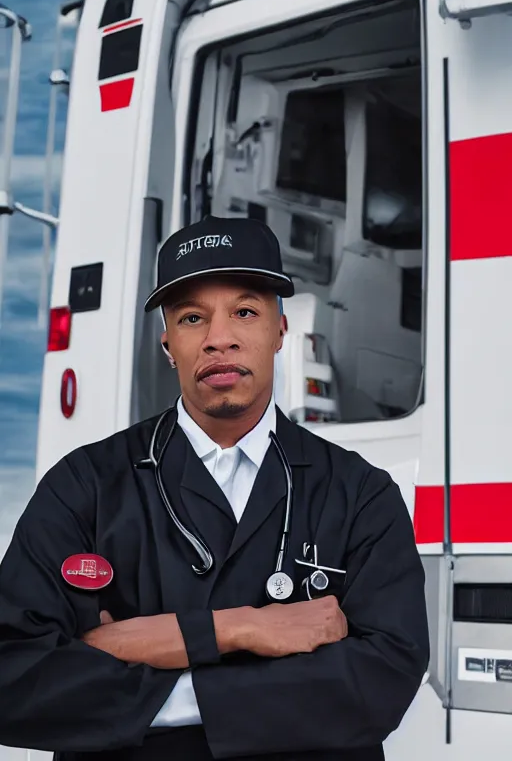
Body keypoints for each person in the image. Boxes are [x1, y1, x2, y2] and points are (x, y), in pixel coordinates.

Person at [0, 216, 429, 761]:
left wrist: (138, 652)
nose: (218, 338)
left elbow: (382, 682)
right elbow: (12, 677)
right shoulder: (84, 484)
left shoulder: (361, 493)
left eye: (244, 312)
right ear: (168, 343)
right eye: (192, 317)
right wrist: (244, 628)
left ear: (279, 330)